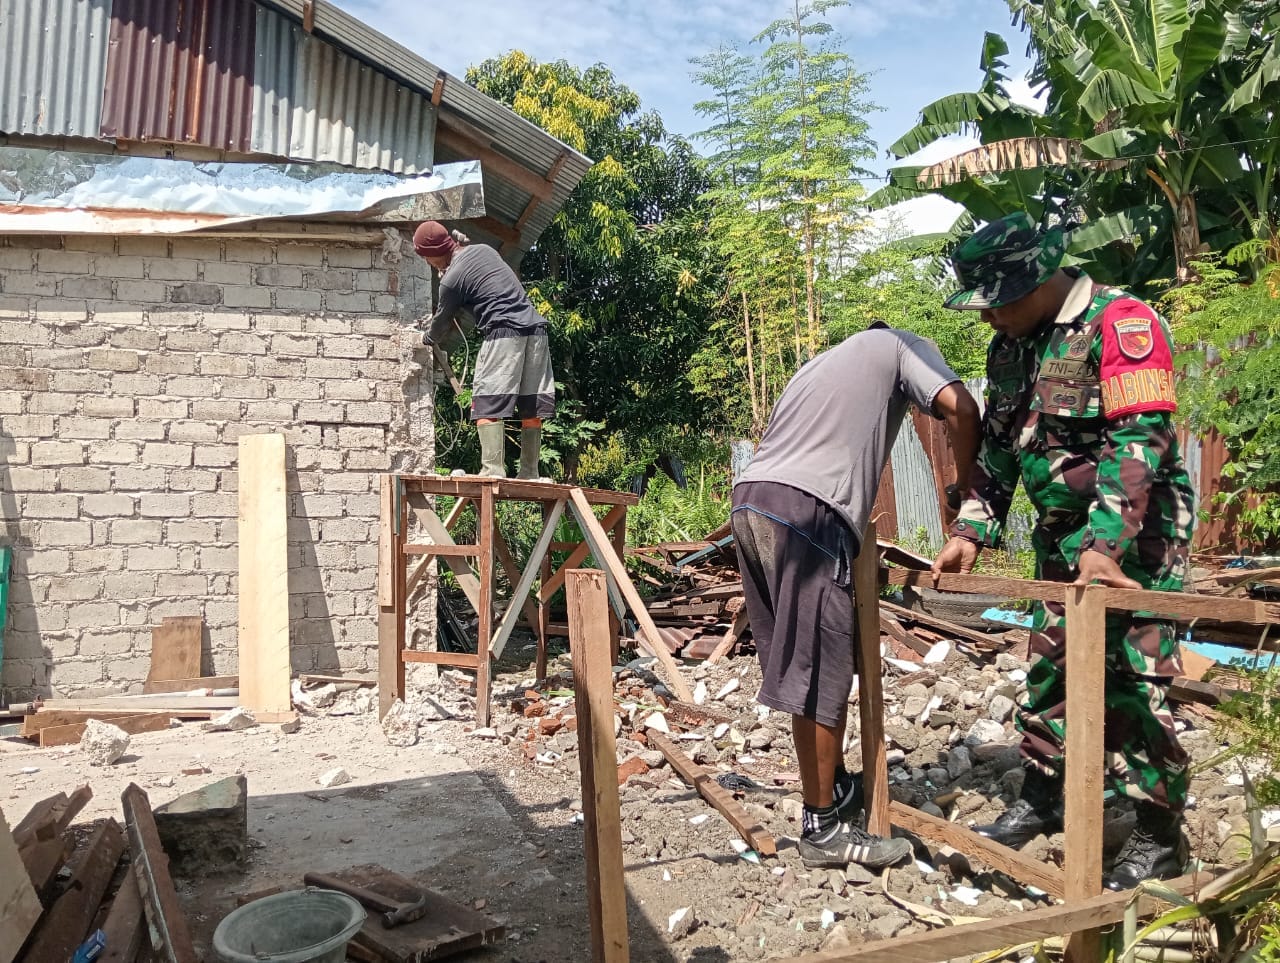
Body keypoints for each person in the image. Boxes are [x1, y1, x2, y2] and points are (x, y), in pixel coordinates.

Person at [931, 212, 1196, 890]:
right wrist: (969, 530)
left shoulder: (1122, 324)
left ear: (1040, 279)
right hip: (1061, 540)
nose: (989, 316)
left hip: (1136, 537)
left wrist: (1105, 546)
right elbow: (999, 448)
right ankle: (1046, 793)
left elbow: (1140, 440)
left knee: (1134, 674)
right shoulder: (1010, 349)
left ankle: (1158, 832)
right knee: (1051, 665)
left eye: (999, 300)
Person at [732, 323, 980, 868]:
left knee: (802, 663)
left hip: (752, 501)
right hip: (808, 509)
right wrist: (967, 497)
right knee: (823, 665)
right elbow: (962, 408)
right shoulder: (903, 345)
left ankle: (835, 786)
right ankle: (822, 830)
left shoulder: (820, 364)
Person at [415, 221, 555, 479]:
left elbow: (442, 323)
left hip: (504, 332)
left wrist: (425, 339)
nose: (427, 263)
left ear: (434, 252)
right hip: (536, 330)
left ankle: (492, 471)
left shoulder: (451, 280)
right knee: (531, 406)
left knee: (487, 403)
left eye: (426, 257)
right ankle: (529, 473)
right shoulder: (485, 250)